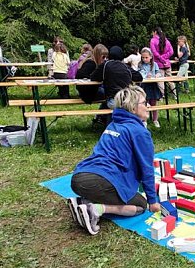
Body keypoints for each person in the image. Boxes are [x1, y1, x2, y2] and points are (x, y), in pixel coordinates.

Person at [67, 85, 162, 236]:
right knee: (140, 205)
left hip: (79, 177)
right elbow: (147, 168)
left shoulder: (113, 124)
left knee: (110, 188)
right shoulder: (139, 132)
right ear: (132, 108)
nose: (149, 106)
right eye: (144, 103)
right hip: (101, 180)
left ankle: (83, 202)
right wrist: (152, 201)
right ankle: (95, 210)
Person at [138, 47, 163, 128]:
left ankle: (155, 119)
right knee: (144, 103)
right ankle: (144, 120)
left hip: (153, 86)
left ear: (151, 57)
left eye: (146, 57)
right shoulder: (140, 65)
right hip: (144, 86)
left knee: (154, 103)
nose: (144, 59)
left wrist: (157, 75)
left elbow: (158, 72)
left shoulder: (154, 64)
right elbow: (140, 73)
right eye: (143, 57)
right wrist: (145, 75)